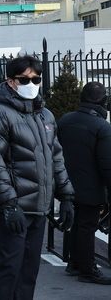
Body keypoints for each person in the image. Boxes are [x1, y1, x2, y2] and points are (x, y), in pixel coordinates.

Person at [0, 55, 75, 299]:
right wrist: (9, 203)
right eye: (24, 79)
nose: (31, 83)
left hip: (39, 208)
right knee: (10, 268)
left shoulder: (46, 116)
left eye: (36, 78)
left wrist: (67, 196)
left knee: (29, 271)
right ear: (10, 81)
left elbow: (56, 158)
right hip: (14, 208)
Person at [58, 81, 111, 285]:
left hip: (66, 183)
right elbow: (107, 164)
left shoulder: (65, 120)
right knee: (87, 227)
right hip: (91, 186)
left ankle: (74, 263)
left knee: (74, 224)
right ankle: (88, 269)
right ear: (103, 101)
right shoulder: (101, 127)